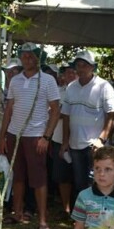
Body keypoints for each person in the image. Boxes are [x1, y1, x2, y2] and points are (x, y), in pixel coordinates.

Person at [0, 42, 61, 229]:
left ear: (38, 58)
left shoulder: (48, 81)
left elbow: (56, 110)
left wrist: (46, 137)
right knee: (17, 175)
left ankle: (42, 220)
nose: (26, 59)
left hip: (35, 136)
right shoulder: (15, 80)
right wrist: (3, 136)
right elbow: (9, 109)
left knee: (39, 179)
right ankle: (17, 213)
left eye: (31, 55)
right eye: (23, 55)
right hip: (14, 134)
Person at [61, 49, 114, 197]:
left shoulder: (104, 86)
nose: (81, 68)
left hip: (94, 145)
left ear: (93, 67)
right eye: (78, 65)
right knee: (80, 182)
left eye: (85, 65)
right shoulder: (71, 87)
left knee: (98, 180)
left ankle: (98, 216)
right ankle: (83, 216)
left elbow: (112, 115)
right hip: (74, 144)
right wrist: (65, 142)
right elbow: (66, 116)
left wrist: (101, 140)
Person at [50, 62, 77, 216]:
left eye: (74, 72)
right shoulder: (57, 91)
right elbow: (53, 113)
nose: (71, 75)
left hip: (79, 140)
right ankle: (66, 208)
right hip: (58, 138)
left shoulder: (83, 91)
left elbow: (59, 112)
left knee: (78, 176)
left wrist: (61, 112)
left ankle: (77, 208)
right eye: (68, 73)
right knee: (62, 176)